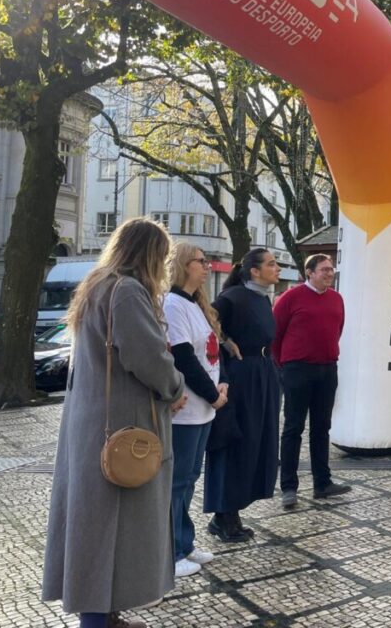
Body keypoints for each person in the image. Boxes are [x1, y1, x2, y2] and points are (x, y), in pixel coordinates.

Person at [42, 218, 186, 628]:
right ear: (151, 254)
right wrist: (175, 389)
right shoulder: (127, 291)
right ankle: (97, 619)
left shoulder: (98, 284)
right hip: (123, 427)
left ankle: (105, 613)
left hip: (95, 424)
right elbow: (147, 357)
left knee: (98, 523)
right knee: (109, 524)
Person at [206, 248, 282, 543]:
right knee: (237, 442)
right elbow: (207, 323)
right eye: (272, 264)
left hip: (262, 374)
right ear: (254, 270)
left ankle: (232, 513)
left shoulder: (262, 298)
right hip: (241, 378)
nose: (277, 269)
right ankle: (223, 514)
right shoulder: (232, 298)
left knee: (255, 443)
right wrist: (225, 341)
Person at [165, 243, 227, 578]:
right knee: (177, 482)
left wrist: (224, 384)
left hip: (205, 408)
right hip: (188, 408)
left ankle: (184, 542)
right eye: (201, 262)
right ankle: (171, 551)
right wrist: (210, 393)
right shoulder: (173, 304)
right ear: (184, 265)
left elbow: (215, 350)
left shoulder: (197, 304)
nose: (207, 267)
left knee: (190, 478)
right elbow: (184, 357)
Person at [273, 253, 350, 509]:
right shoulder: (291, 298)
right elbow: (276, 333)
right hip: (297, 369)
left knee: (322, 427)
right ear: (310, 272)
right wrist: (283, 364)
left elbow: (337, 331)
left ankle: (322, 483)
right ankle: (288, 487)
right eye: (324, 269)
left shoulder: (337, 299)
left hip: (327, 369)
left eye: (331, 269)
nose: (330, 273)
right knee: (293, 428)